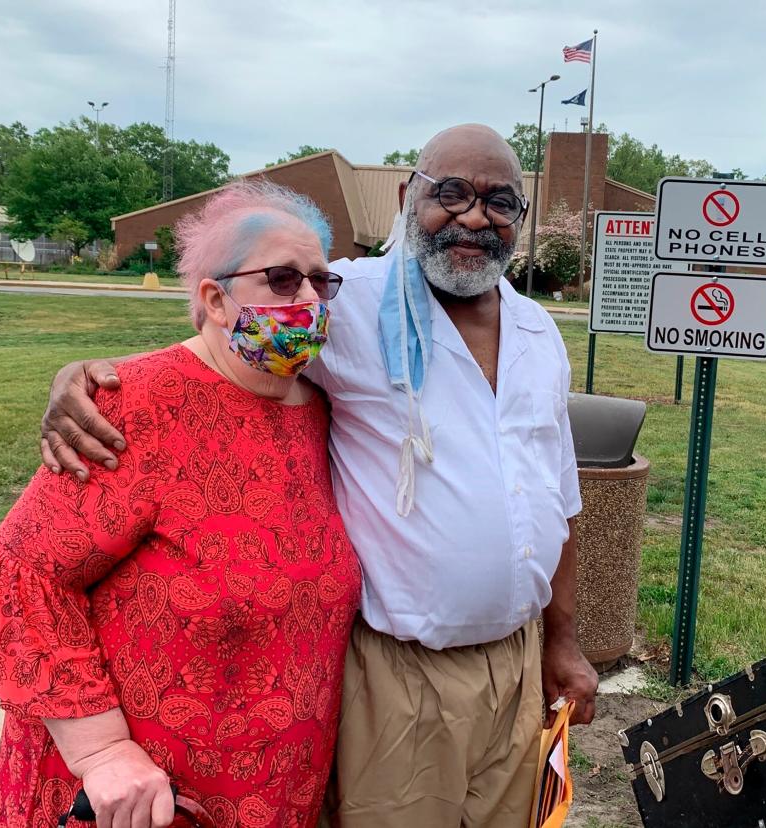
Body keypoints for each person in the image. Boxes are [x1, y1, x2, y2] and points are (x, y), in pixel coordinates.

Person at [41, 124, 598, 827]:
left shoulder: (538, 333)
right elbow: (228, 337)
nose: (473, 218)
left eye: (500, 202)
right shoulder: (346, 299)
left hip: (517, 668)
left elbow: (560, 497)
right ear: (408, 198)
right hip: (405, 676)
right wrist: (93, 378)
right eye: (450, 194)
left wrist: (564, 641)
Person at [0, 181, 362, 828]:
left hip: (275, 793)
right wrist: (103, 750)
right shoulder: (133, 405)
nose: (308, 299)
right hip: (133, 803)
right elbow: (25, 576)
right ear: (215, 300)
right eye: (282, 279)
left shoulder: (320, 414)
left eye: (320, 281)